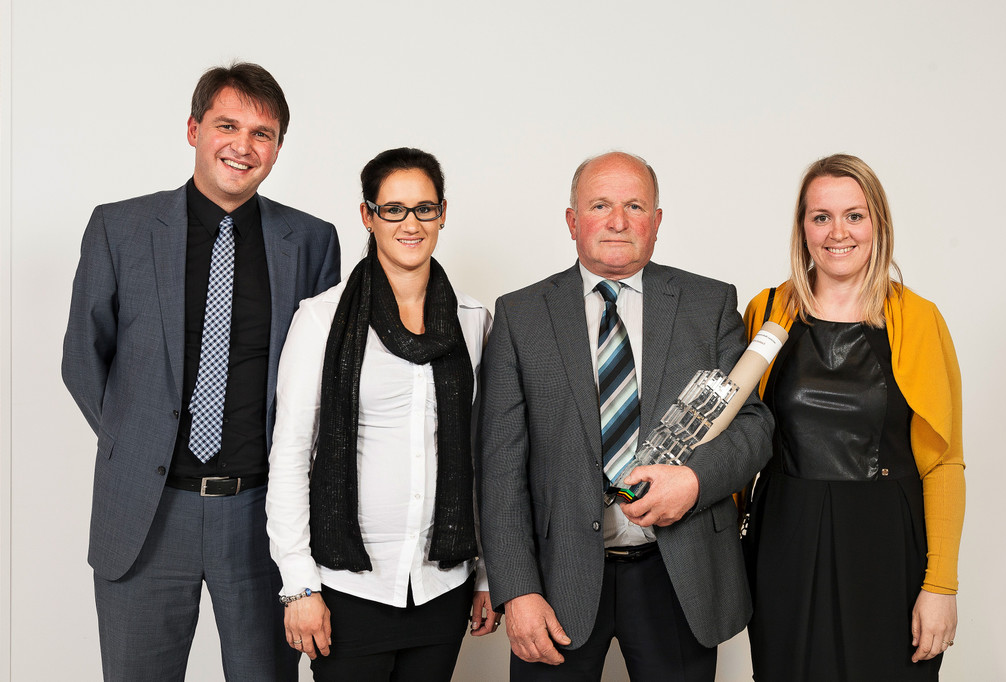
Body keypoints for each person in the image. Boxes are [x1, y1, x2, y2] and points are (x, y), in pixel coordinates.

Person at [61, 62, 341, 681]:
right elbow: (82, 358)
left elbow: (322, 381)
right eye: (227, 126)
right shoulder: (120, 229)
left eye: (262, 133)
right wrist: (137, 444)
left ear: (278, 148)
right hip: (148, 514)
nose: (243, 146)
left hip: (261, 517)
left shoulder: (312, 241)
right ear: (194, 130)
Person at [478, 151, 773, 681]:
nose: (618, 221)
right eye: (600, 205)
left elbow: (754, 428)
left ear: (656, 221)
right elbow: (500, 470)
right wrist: (517, 590)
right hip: (557, 578)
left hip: (677, 574)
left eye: (635, 206)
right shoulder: (521, 315)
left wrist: (694, 482)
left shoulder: (708, 304)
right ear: (572, 220)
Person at [266, 147, 500, 681]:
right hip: (347, 586)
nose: (410, 224)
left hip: (443, 584)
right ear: (368, 215)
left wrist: (488, 572)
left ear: (443, 213)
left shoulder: (472, 320)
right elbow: (292, 455)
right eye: (393, 209)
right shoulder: (321, 319)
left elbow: (481, 456)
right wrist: (298, 584)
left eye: (424, 208)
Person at [742, 153, 964, 681]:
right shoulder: (766, 309)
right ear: (803, 228)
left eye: (854, 215)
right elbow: (737, 442)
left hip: (888, 547)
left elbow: (944, 463)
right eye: (821, 216)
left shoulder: (920, 319)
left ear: (877, 224)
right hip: (784, 546)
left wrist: (940, 585)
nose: (837, 232)